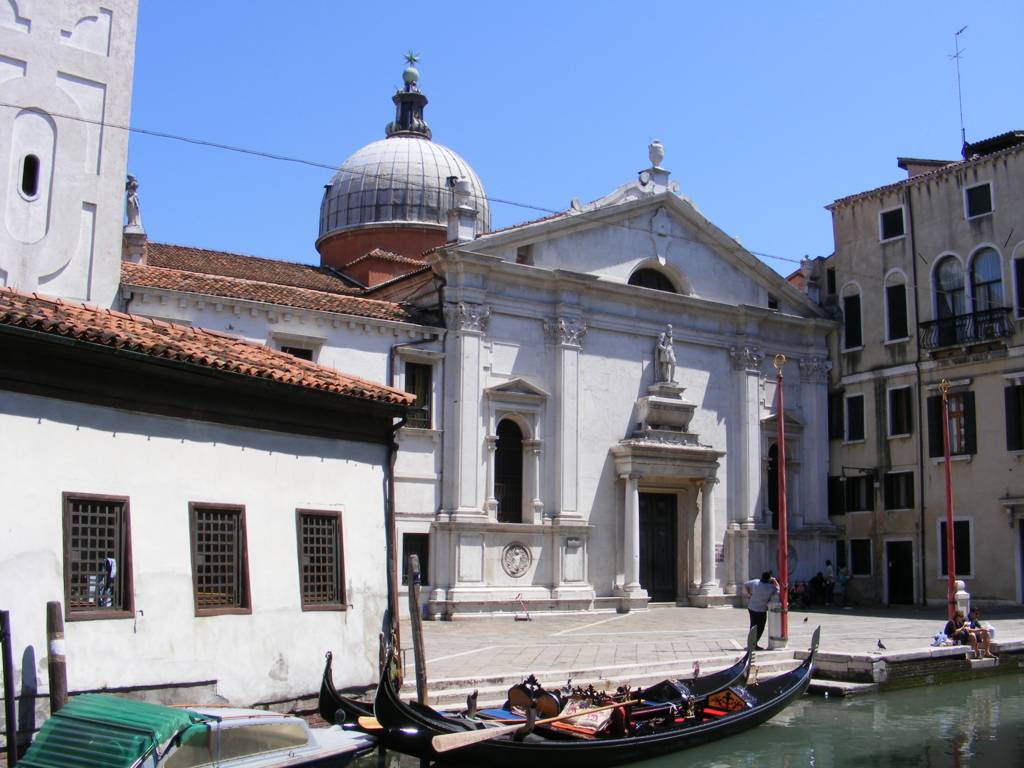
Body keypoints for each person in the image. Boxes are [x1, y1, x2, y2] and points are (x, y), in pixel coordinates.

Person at [744, 571, 779, 650]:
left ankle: (751, 643)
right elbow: (778, 589)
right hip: (761, 609)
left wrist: (749, 594)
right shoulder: (770, 587)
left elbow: (746, 584)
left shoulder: (755, 582)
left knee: (753, 626)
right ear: (769, 578)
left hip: (752, 607)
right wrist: (774, 580)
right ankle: (754, 644)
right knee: (760, 627)